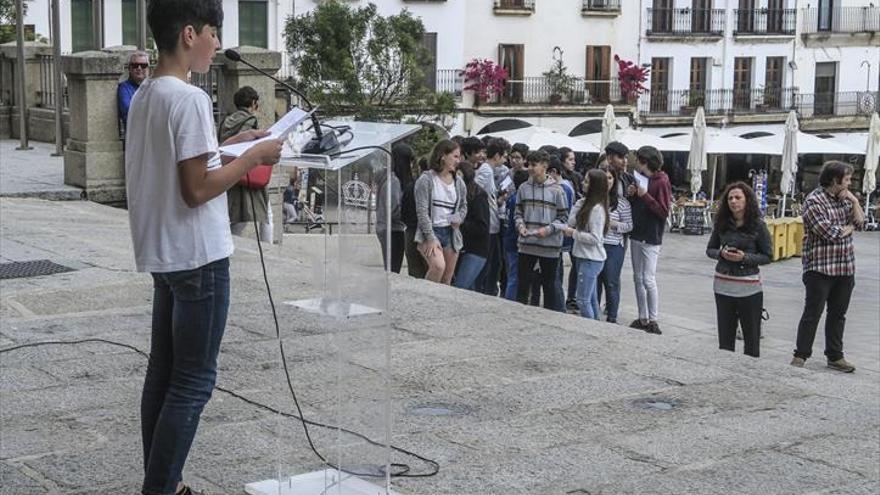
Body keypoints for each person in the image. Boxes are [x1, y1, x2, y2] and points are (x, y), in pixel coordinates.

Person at [125, 1, 283, 493]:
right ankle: (162, 488)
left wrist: (235, 146)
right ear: (190, 33)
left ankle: (164, 484)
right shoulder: (188, 97)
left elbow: (185, 161)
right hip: (198, 253)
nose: (217, 43)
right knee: (193, 382)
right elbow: (196, 189)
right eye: (214, 33)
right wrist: (256, 154)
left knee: (164, 373)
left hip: (165, 251)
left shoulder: (147, 91)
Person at [792, 161, 866, 372]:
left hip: (845, 267)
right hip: (820, 268)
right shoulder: (814, 201)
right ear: (835, 180)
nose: (850, 183)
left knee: (838, 314)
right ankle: (800, 355)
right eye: (847, 179)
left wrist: (854, 201)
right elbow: (829, 233)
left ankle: (835, 356)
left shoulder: (845, 200)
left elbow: (863, 223)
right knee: (812, 313)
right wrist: (851, 226)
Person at [706, 182, 772, 358]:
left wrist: (745, 257)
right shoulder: (721, 224)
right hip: (723, 285)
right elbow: (710, 249)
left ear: (747, 200)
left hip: (748, 287)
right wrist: (722, 253)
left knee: (751, 337)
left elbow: (768, 256)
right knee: (725, 337)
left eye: (738, 198)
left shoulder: (758, 225)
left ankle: (750, 372)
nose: (733, 201)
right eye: (730, 198)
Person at [514, 150, 569, 309]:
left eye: (534, 164)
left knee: (549, 286)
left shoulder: (557, 190)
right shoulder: (523, 188)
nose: (530, 168)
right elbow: (518, 213)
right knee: (522, 285)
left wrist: (548, 229)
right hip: (526, 244)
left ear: (544, 166)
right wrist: (521, 226)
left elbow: (563, 218)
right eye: (528, 164)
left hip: (549, 246)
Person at [627, 146, 672, 335]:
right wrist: (633, 194)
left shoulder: (661, 181)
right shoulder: (642, 178)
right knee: (637, 277)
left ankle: (653, 319)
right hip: (637, 232)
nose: (635, 163)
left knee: (648, 278)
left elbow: (663, 211)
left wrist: (645, 195)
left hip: (651, 236)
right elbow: (638, 204)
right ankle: (642, 316)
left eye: (637, 159)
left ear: (644, 161)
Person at [219, 86, 273, 243]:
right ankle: (267, 247)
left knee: (238, 216)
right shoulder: (250, 120)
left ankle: (227, 242)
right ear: (254, 103)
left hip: (229, 170)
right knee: (266, 213)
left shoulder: (226, 121)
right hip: (247, 172)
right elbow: (247, 143)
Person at [414, 139, 468, 284]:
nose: (458, 160)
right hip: (431, 230)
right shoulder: (426, 179)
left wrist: (458, 218)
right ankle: (425, 299)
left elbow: (463, 206)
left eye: (459, 157)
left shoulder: (459, 182)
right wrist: (431, 237)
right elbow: (422, 211)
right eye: (455, 156)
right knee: (438, 267)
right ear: (443, 156)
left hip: (451, 232)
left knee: (447, 278)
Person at [564, 169, 609, 319]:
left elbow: (595, 238)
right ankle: (596, 325)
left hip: (591, 259)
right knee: (591, 299)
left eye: (587, 181)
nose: (583, 183)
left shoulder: (597, 210)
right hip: (582, 256)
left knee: (583, 300)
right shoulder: (584, 204)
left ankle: (589, 326)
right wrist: (579, 204)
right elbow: (570, 221)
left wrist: (574, 234)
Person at [596, 164, 633, 324]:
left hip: (613, 246)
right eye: (604, 178)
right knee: (595, 280)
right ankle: (593, 312)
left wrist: (614, 224)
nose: (607, 181)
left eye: (610, 178)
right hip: (595, 244)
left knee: (611, 281)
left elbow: (629, 226)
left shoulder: (622, 203)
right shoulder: (592, 200)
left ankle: (612, 316)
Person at [453, 161, 490, 290]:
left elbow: (483, 227)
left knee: (460, 286)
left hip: (476, 249)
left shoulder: (478, 195)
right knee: (468, 288)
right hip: (459, 247)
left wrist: (461, 223)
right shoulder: (454, 193)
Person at [474, 138, 505, 295]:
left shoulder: (488, 170)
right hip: (489, 224)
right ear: (498, 155)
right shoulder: (486, 170)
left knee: (494, 261)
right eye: (504, 156)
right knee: (490, 262)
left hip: (492, 223)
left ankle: (487, 290)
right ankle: (484, 291)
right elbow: (475, 188)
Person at [548, 158, 574, 312]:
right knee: (557, 273)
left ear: (553, 172)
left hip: (558, 235)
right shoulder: (566, 186)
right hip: (561, 235)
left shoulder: (562, 188)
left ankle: (558, 307)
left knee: (556, 275)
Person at [397, 144, 427, 278]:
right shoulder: (436, 186)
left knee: (415, 270)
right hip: (428, 232)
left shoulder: (411, 186)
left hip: (411, 230)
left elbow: (403, 213)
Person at [375, 146, 406, 273]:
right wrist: (405, 217)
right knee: (393, 269)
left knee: (390, 267)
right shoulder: (393, 181)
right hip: (393, 229)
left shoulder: (385, 178)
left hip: (384, 226)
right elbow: (393, 208)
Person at [503, 169, 530, 300]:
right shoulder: (519, 199)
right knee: (514, 276)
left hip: (509, 240)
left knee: (513, 274)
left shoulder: (511, 198)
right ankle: (510, 300)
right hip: (515, 242)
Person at [118, 51, 151, 134]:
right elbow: (129, 112)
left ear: (148, 69)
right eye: (135, 65)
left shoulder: (155, 87)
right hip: (135, 137)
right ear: (129, 69)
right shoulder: (124, 88)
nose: (139, 68)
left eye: (143, 66)